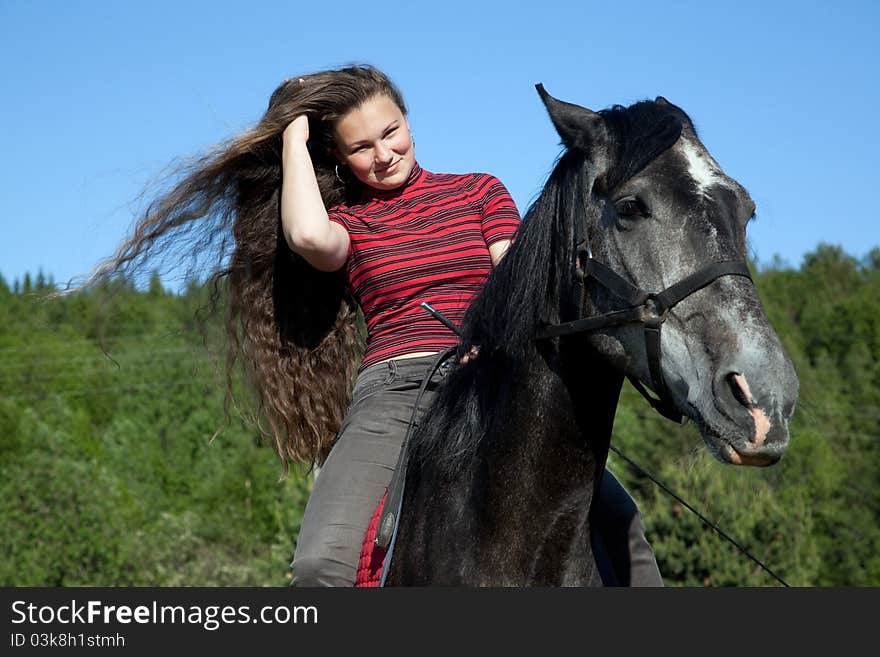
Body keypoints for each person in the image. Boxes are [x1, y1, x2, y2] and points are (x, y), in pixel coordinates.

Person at [87, 63, 661, 587]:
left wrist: (490, 342)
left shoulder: (479, 190)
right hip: (395, 391)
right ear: (338, 159)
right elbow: (309, 237)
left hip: (490, 383)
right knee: (320, 566)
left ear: (407, 121)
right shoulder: (348, 223)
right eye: (360, 147)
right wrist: (293, 134)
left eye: (391, 132)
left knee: (624, 531)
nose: (384, 153)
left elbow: (516, 283)